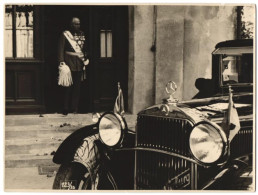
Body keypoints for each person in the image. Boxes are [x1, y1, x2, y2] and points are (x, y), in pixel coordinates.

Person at [58, 17, 89, 115]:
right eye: (75, 24)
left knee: (77, 88)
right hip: (68, 63)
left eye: (78, 24)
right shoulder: (65, 34)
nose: (77, 26)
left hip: (79, 63)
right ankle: (65, 107)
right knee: (67, 87)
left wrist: (86, 57)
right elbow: (60, 48)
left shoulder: (82, 34)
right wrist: (61, 62)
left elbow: (85, 48)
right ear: (71, 25)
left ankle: (74, 107)